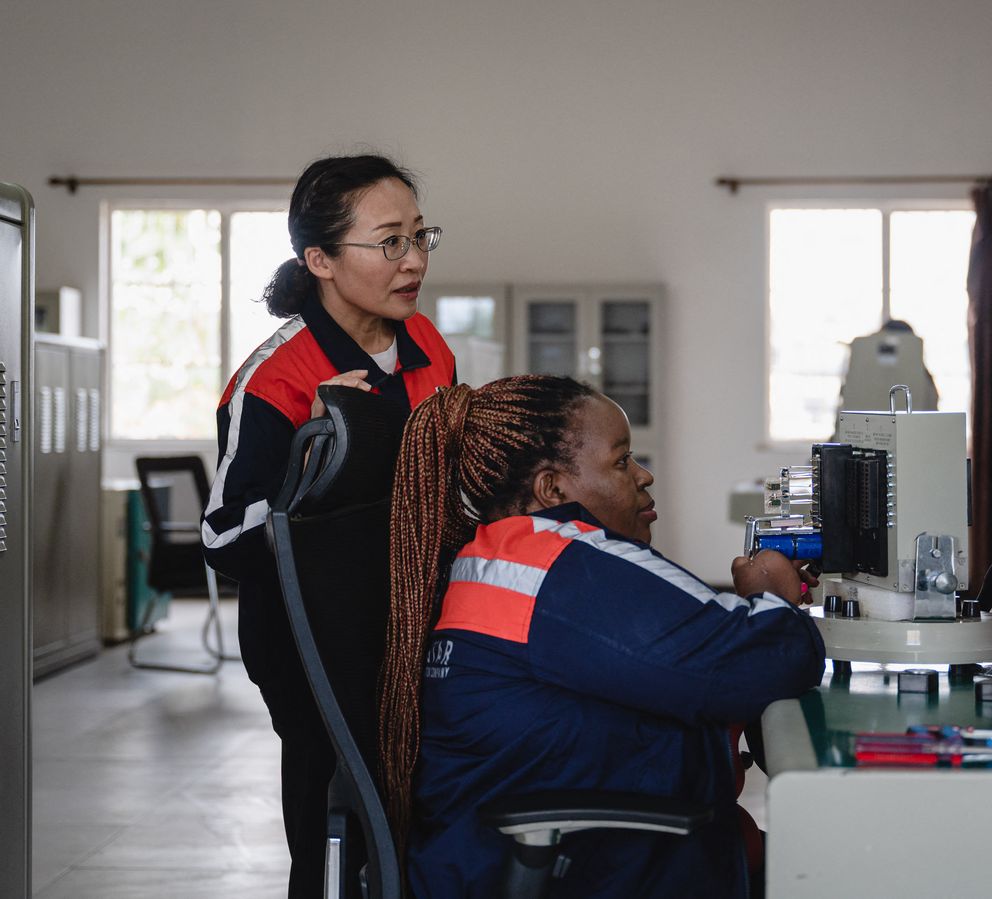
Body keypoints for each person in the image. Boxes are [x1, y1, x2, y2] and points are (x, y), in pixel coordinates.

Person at [380, 376, 826, 898]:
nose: (644, 475)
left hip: (495, 863)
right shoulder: (559, 565)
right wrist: (772, 598)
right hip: (574, 871)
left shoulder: (507, 555)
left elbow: (684, 650)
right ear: (553, 489)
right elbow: (762, 661)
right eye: (621, 461)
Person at [201, 154, 456, 897]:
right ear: (319, 259)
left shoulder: (426, 346)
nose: (413, 261)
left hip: (406, 620)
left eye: (419, 237)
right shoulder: (276, 379)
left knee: (415, 813)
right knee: (331, 827)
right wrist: (315, 458)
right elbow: (223, 537)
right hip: (310, 641)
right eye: (389, 242)